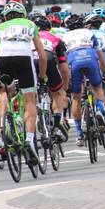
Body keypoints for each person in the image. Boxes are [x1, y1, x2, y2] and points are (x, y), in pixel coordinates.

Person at [0, 2, 48, 163]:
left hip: (3, 58)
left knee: (4, 92)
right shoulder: (30, 24)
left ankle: (3, 127)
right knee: (30, 100)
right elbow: (42, 56)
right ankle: (29, 139)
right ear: (22, 15)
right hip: (23, 56)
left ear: (5, 17)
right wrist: (42, 77)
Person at [61, 14, 105, 147]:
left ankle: (78, 133)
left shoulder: (64, 37)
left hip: (74, 60)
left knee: (76, 96)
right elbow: (101, 58)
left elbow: (63, 62)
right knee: (97, 88)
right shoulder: (89, 33)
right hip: (90, 59)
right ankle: (100, 110)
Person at [29, 11, 69, 140]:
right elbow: (63, 67)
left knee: (28, 96)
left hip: (29, 61)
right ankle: (57, 125)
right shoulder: (55, 38)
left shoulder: (27, 36)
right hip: (48, 58)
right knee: (58, 93)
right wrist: (65, 86)